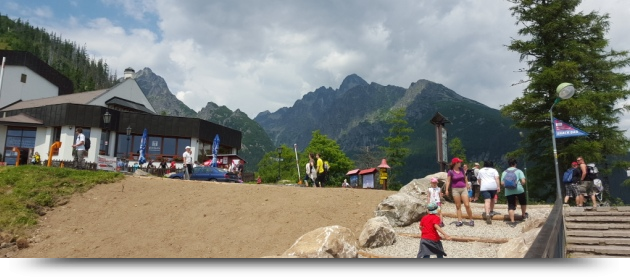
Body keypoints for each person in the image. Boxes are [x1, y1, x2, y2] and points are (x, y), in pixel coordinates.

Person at [444, 157, 474, 227]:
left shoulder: (462, 170)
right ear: (456, 163)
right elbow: (448, 181)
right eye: (459, 162)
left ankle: (471, 219)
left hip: (463, 188)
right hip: (455, 189)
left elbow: (465, 177)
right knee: (458, 206)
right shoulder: (450, 171)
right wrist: (446, 189)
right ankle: (460, 220)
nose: (461, 163)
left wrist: (467, 184)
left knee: (467, 204)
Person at [501, 158, 528, 227]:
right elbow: (523, 181)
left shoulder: (504, 172)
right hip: (519, 189)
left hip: (508, 191)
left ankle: (512, 222)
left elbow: (502, 183)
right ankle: (523, 215)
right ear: (515, 164)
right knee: (523, 202)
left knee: (511, 205)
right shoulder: (519, 171)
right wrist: (520, 184)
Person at [478, 160, 501, 224]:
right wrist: (498, 186)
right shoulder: (494, 170)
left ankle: (487, 213)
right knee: (492, 199)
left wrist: (481, 185)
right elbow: (497, 178)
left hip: (484, 187)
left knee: (487, 201)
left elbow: (479, 179)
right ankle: (491, 211)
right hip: (493, 186)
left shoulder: (480, 170)